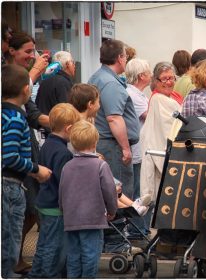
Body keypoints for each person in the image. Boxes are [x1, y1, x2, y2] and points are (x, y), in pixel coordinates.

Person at [68, 83, 150, 217]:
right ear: (90, 104)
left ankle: (132, 206)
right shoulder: (82, 124)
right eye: (98, 101)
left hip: (87, 167)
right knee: (110, 185)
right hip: (87, 172)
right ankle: (130, 207)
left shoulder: (84, 121)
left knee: (111, 183)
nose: (100, 105)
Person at [6, 31, 51, 275]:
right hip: (12, 175)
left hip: (24, 159)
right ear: (11, 50)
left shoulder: (16, 109)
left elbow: (33, 113)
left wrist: (60, 123)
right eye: (27, 51)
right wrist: (35, 169)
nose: (31, 56)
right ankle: (10, 262)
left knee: (30, 209)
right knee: (21, 212)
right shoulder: (11, 111)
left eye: (33, 51)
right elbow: (9, 156)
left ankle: (15, 257)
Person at [59, 120, 118, 278]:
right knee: (91, 254)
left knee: (73, 255)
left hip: (71, 219)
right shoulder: (100, 165)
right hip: (93, 218)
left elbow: (62, 191)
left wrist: (63, 210)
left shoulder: (67, 166)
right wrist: (112, 210)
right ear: (94, 143)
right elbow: (109, 190)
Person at [28, 103, 81, 278]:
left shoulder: (47, 145)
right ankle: (50, 275)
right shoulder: (64, 153)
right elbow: (64, 183)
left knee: (43, 243)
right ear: (69, 128)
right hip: (55, 207)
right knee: (54, 246)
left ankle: (36, 273)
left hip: (44, 201)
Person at [88, 39, 140, 200]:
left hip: (104, 142)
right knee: (118, 195)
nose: (126, 60)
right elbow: (114, 118)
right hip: (113, 146)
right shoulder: (111, 83)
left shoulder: (97, 77)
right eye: (125, 57)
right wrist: (125, 148)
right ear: (119, 58)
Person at [140, 62, 182, 215]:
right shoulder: (158, 99)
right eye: (164, 79)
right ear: (155, 81)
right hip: (162, 149)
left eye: (171, 78)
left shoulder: (174, 96)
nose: (169, 82)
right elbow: (167, 128)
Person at [125, 58, 152, 235]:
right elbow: (149, 117)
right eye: (149, 73)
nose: (151, 76)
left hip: (138, 149)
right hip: (136, 151)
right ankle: (137, 230)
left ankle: (139, 228)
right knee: (139, 190)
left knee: (138, 189)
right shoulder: (134, 95)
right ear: (142, 76)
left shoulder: (136, 93)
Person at [35, 51, 76, 116]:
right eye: (73, 62)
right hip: (55, 123)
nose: (74, 65)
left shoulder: (45, 81)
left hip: (42, 122)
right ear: (67, 64)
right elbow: (66, 112)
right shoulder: (63, 83)